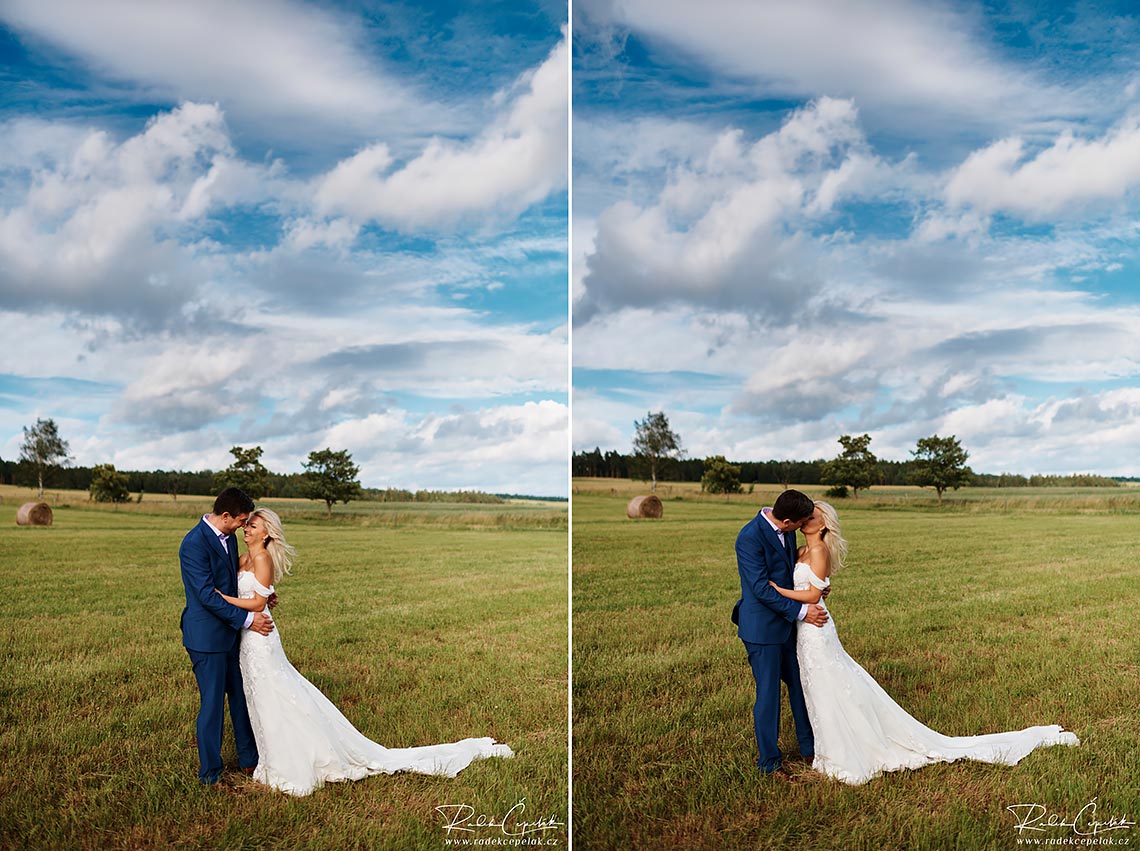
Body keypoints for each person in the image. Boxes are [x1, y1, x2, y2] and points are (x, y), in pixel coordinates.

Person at [768, 501, 1079, 785]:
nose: (807, 517)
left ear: (823, 524)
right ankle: (828, 752)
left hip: (817, 629)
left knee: (831, 685)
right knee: (819, 689)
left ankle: (850, 753)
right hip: (805, 630)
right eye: (806, 514)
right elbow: (814, 589)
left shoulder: (820, 550)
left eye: (813, 514)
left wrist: (777, 592)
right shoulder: (799, 551)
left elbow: (812, 596)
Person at [213, 507, 514, 796]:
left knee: (276, 694)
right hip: (247, 640)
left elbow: (256, 604)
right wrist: (252, 598)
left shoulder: (263, 559)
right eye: (247, 524)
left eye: (253, 525)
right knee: (261, 699)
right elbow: (257, 596)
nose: (247, 529)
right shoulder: (242, 560)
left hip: (262, 640)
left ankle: (293, 763)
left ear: (267, 534)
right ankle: (271, 759)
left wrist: (223, 598)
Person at [179, 487, 274, 786]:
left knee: (240, 696)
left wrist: (263, 594)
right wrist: (249, 619)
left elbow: (232, 581)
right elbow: (207, 595)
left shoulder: (229, 537)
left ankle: (249, 759)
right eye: (242, 521)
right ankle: (210, 773)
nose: (244, 527)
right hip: (207, 638)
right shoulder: (193, 544)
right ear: (225, 516)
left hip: (232, 634)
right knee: (212, 706)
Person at [732, 489, 830, 780]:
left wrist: (816, 587)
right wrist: (803, 612)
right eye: (800, 523)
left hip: (788, 626)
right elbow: (761, 589)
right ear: (787, 521)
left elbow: (790, 573)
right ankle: (770, 763)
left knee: (801, 684)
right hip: (762, 630)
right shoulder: (749, 537)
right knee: (769, 695)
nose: (804, 527)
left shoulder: (786, 530)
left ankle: (809, 747)